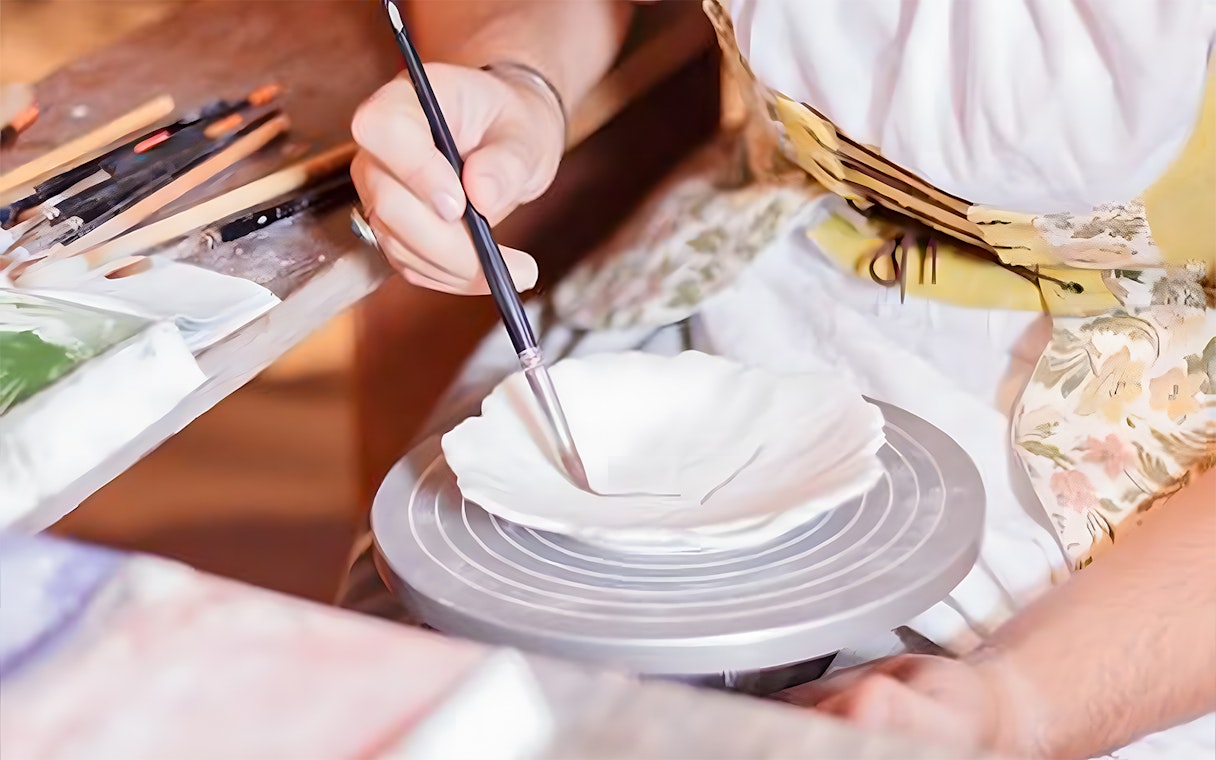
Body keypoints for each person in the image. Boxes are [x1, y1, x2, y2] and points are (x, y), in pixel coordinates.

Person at [343, 1, 1216, 757]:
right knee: (414, 680)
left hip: (1134, 520)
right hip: (755, 270)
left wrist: (1015, 707)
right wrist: (518, 74)